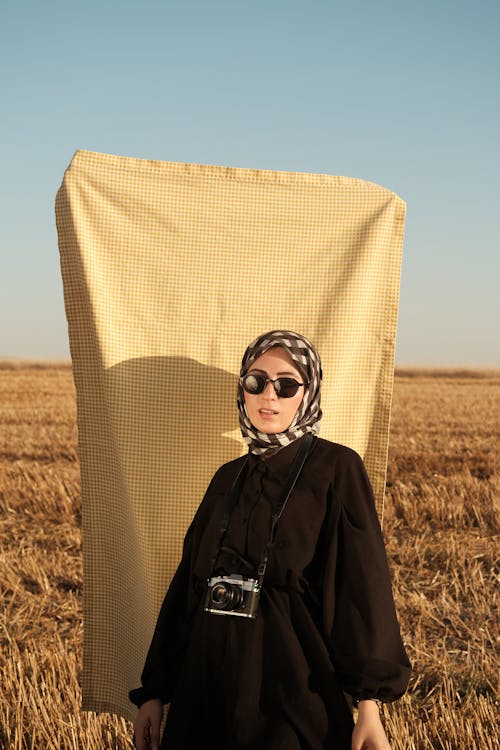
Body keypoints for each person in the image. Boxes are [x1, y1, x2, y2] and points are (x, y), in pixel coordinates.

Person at [129, 330, 411, 750]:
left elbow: (361, 587)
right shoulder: (227, 477)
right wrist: (156, 690)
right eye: (256, 382)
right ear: (242, 390)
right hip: (204, 687)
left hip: (290, 688)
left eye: (287, 384)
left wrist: (368, 703)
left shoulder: (336, 469)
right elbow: (188, 586)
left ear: (308, 393)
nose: (269, 396)